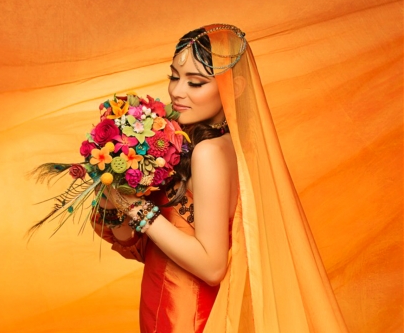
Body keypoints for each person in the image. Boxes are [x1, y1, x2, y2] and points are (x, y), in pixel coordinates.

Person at [91, 24, 349, 333]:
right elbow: (156, 247)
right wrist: (116, 194)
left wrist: (133, 205)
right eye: (174, 76)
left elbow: (212, 266)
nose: (177, 91)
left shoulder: (209, 153)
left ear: (234, 87)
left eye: (196, 83)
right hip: (168, 301)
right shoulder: (211, 146)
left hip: (186, 314)